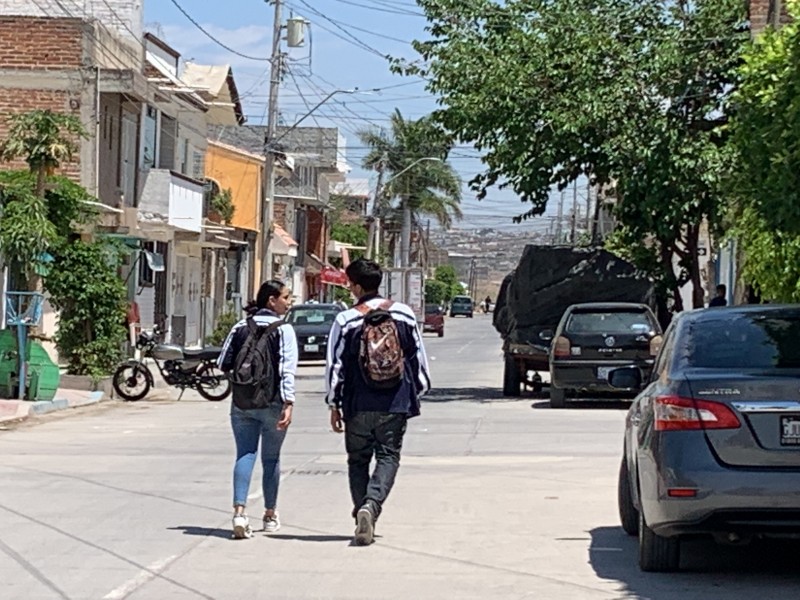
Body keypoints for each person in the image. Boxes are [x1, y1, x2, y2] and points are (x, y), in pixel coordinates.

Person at [325, 258, 431, 546]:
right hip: (394, 402)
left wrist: (334, 403)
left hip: (357, 403)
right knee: (388, 456)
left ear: (356, 286)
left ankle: (362, 507)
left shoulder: (346, 320)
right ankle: (371, 507)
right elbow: (418, 360)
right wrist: (415, 394)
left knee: (358, 459)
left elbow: (335, 365)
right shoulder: (404, 314)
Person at [218, 280, 298, 539]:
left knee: (245, 454)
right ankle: (270, 514)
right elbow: (287, 369)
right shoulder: (284, 330)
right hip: (273, 402)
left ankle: (239, 513)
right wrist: (288, 403)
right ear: (271, 300)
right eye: (286, 297)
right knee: (271, 459)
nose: (289, 302)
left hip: (242, 402)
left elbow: (223, 362)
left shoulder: (241, 326)